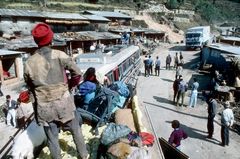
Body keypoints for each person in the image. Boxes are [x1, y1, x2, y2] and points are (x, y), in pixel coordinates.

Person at [24, 23, 88, 159]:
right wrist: (69, 85)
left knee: (53, 140)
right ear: (51, 39)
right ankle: (83, 155)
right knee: (76, 131)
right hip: (64, 103)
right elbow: (77, 73)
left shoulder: (29, 63)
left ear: (36, 41)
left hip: (44, 107)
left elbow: (30, 87)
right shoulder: (60, 55)